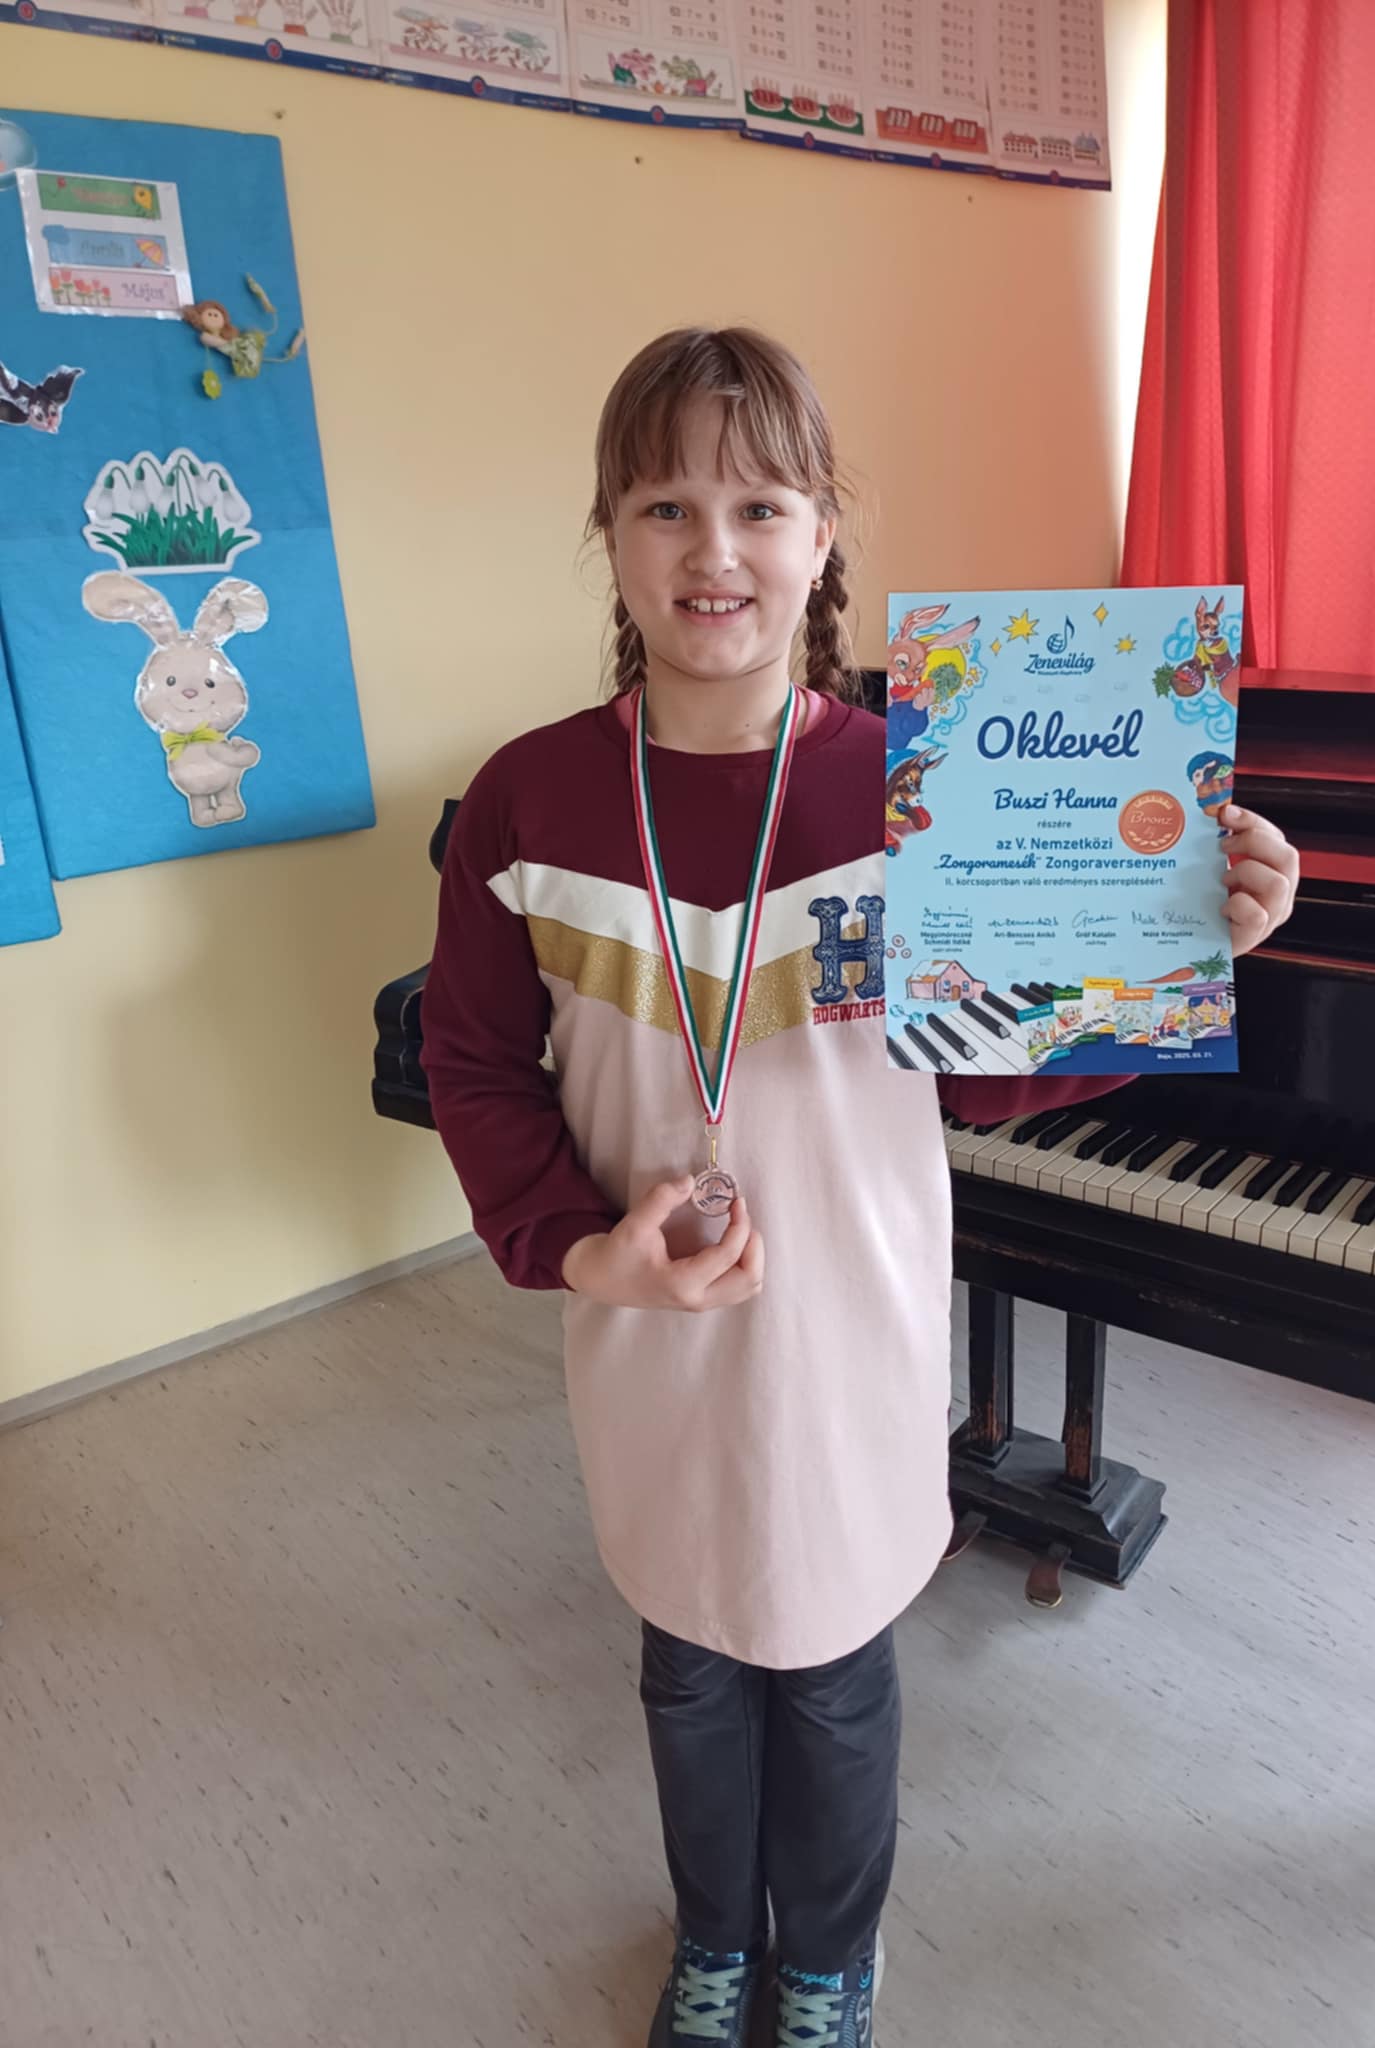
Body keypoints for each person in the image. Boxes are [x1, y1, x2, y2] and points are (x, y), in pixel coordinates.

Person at [421, 328, 1300, 2048]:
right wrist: (586, 1253)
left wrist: (1185, 943)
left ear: (824, 533)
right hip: (643, 1328)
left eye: (761, 504)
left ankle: (824, 1960)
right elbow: (473, 1062)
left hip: (855, 1315)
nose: (715, 550)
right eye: (666, 505)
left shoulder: (925, 790)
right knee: (686, 1654)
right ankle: (715, 1940)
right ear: (608, 531)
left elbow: (987, 1066)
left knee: (829, 1663)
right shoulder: (532, 795)